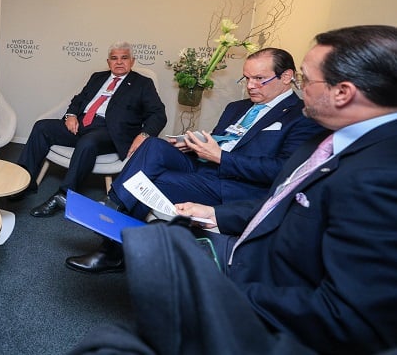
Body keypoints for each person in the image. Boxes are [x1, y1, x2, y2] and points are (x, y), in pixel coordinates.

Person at [70, 25, 397, 355]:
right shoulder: (328, 135)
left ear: (343, 92)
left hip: (247, 239)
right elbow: (284, 195)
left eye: (306, 79)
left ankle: (115, 236)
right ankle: (116, 219)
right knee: (154, 149)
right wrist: (213, 203)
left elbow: (350, 312)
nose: (301, 88)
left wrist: (219, 290)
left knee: (156, 184)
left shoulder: (374, 171)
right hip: (220, 191)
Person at [67, 48, 323, 274]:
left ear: (286, 77)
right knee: (154, 145)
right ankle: (114, 204)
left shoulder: (301, 118)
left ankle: (111, 250)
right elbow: (222, 139)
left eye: (259, 79)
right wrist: (192, 144)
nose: (251, 85)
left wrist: (221, 157)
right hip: (206, 166)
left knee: (153, 180)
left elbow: (281, 171)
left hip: (234, 185)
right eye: (246, 78)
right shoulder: (236, 107)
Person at [14, 41, 167, 218]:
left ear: (132, 61)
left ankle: (63, 195)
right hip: (81, 124)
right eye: (114, 58)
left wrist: (144, 134)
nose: (119, 62)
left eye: (124, 58)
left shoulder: (143, 83)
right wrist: (71, 114)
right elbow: (79, 99)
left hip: (111, 131)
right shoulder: (98, 77)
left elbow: (158, 114)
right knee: (42, 127)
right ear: (108, 62)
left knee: (88, 142)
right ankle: (24, 182)